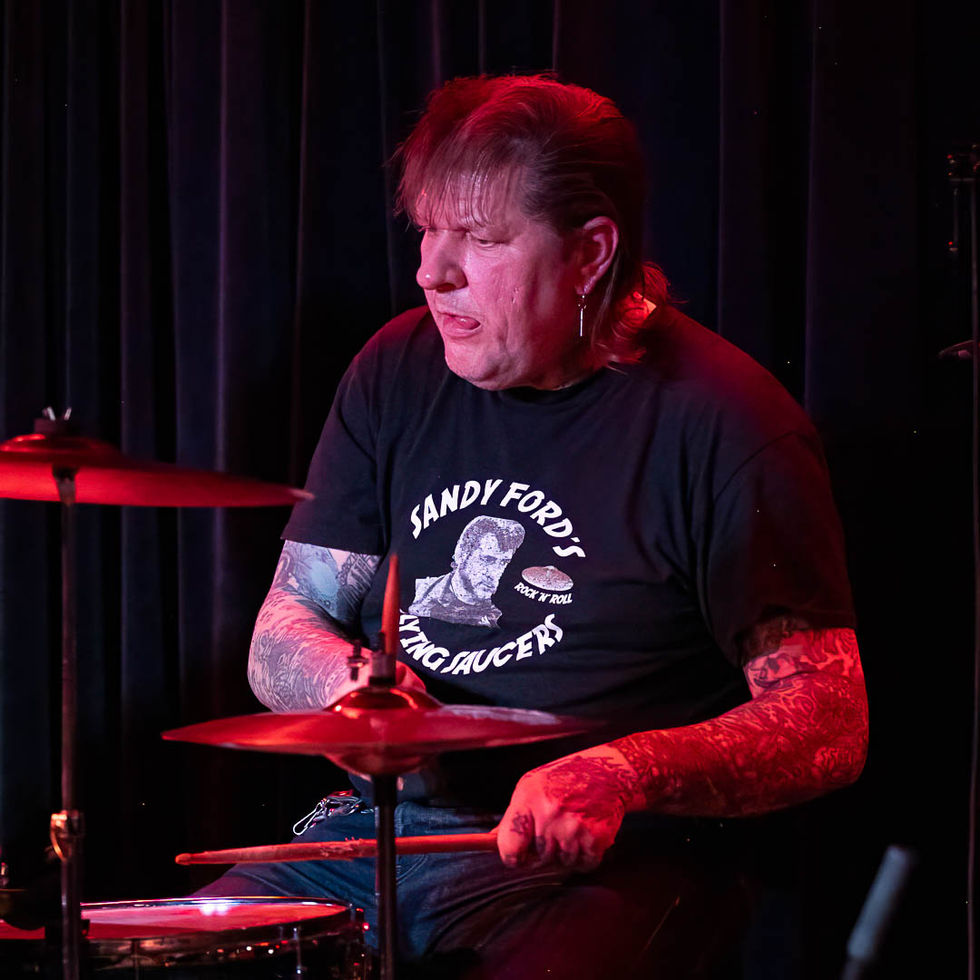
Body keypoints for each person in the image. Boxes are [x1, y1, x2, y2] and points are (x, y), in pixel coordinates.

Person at [199, 74, 868, 978]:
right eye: (428, 230)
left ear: (590, 253)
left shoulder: (727, 422)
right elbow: (286, 622)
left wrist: (619, 772)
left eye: (481, 238)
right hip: (379, 836)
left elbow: (828, 720)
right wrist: (350, 692)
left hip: (597, 866)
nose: (434, 271)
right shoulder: (396, 368)